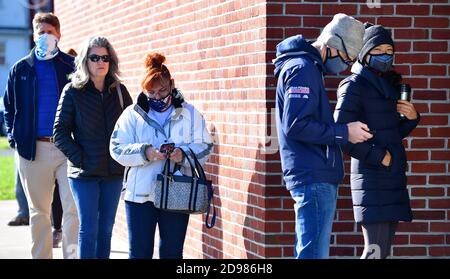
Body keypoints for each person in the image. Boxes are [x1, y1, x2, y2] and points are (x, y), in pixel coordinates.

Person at [273, 13, 373, 259]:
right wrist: (344, 132)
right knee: (313, 254)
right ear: (331, 45)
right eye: (346, 59)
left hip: (312, 173)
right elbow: (296, 125)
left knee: (309, 250)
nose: (345, 67)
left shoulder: (305, 67)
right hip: (313, 175)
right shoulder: (302, 69)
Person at [110, 52, 213, 259]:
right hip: (139, 195)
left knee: (172, 253)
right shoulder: (132, 114)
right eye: (151, 93)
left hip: (177, 191)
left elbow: (206, 146)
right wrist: (144, 152)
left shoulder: (190, 113)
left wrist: (182, 155)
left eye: (163, 90)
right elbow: (116, 148)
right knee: (139, 254)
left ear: (172, 85)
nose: (157, 97)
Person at [334, 23, 420, 259]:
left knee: (381, 252)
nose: (385, 56)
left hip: (390, 176)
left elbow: (388, 132)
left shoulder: (385, 85)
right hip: (372, 177)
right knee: (374, 251)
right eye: (378, 50)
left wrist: (412, 119)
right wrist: (380, 157)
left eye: (389, 51)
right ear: (365, 53)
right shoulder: (353, 86)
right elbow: (341, 134)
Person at [3, 12, 79, 259]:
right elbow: (9, 108)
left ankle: (71, 255)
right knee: (39, 212)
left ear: (59, 35)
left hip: (68, 149)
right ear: (33, 36)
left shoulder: (72, 66)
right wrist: (15, 139)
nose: (45, 37)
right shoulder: (20, 69)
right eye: (40, 33)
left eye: (50, 32)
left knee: (73, 209)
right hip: (33, 150)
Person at [53, 36, 132, 259]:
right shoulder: (73, 91)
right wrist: (81, 159)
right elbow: (59, 132)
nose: (101, 62)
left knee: (105, 231)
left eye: (105, 58)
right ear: (85, 61)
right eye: (95, 57)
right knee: (89, 230)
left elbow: (132, 127)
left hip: (114, 173)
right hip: (84, 174)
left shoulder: (119, 91)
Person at [51, 48, 77, 248]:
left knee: (71, 201)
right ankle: (56, 229)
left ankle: (70, 246)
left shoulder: (71, 71)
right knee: (55, 196)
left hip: (71, 149)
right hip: (50, 144)